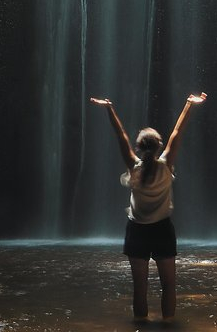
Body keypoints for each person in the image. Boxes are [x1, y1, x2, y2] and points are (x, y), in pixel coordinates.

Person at [90, 92, 207, 323]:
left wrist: (109, 108)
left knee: (139, 288)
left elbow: (120, 136)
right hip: (162, 230)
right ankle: (169, 325)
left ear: (139, 148)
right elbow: (177, 133)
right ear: (158, 147)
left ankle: (141, 326)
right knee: (169, 286)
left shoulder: (134, 168)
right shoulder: (166, 166)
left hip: (137, 231)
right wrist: (188, 104)